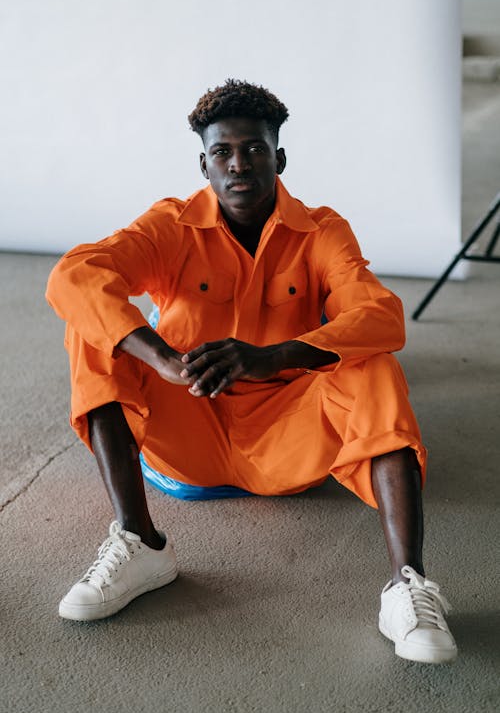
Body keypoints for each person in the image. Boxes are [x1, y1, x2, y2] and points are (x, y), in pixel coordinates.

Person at [46, 79, 457, 663]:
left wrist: (276, 355)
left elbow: (381, 315)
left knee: (372, 363)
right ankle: (140, 540)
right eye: (223, 153)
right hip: (187, 432)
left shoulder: (320, 229)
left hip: (287, 439)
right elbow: (74, 273)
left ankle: (409, 585)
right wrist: (161, 358)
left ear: (279, 157)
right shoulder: (170, 225)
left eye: (255, 149)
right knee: (92, 332)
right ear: (205, 164)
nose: (239, 164)